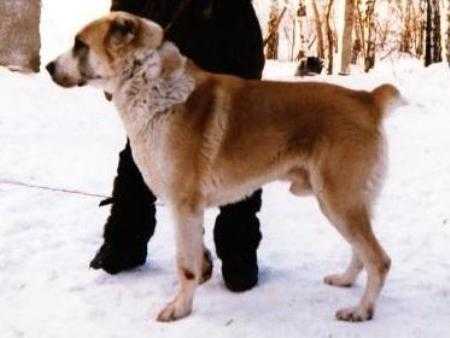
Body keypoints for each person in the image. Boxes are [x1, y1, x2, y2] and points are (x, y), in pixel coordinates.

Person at [90, 0, 265, 292]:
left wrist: (243, 97)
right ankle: (123, 243)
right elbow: (114, 31)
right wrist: (114, 76)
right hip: (158, 90)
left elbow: (247, 51)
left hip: (221, 85)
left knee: (238, 163)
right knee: (138, 162)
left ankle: (239, 254)